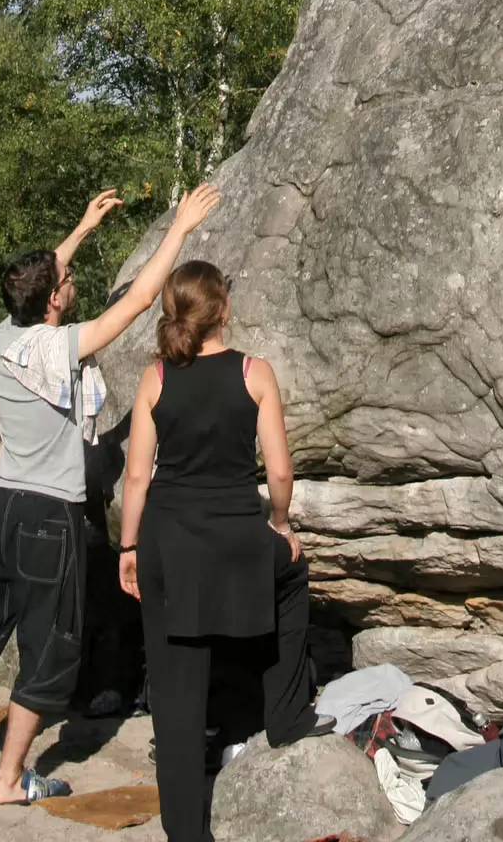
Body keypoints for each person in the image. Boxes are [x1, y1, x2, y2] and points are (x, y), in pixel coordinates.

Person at [0, 181, 220, 808]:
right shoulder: (60, 346)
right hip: (48, 518)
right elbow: (141, 300)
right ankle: (9, 781)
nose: (70, 277)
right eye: (66, 279)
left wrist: (83, 228)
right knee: (47, 652)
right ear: (55, 299)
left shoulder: (2, 338)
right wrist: (180, 228)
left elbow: (32, 285)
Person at [118, 259, 330, 842]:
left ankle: (187, 833)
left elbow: (136, 478)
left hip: (169, 548)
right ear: (224, 310)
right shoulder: (254, 373)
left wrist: (128, 546)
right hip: (238, 543)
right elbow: (279, 473)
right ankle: (286, 714)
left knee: (176, 699)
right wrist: (281, 525)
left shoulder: (156, 378)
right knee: (292, 576)